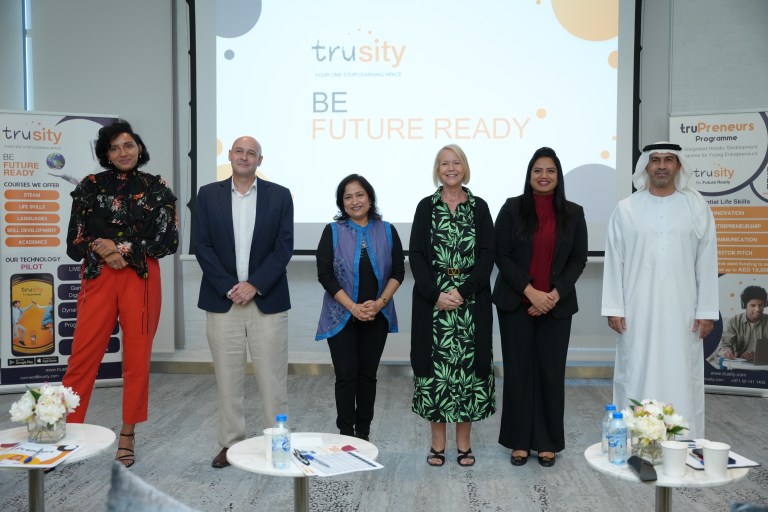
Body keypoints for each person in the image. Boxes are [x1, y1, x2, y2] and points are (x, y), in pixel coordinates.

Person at [62, 119, 179, 468]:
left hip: (141, 279)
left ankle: (127, 434)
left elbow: (167, 241)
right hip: (98, 276)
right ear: (106, 154)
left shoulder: (157, 188)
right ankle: (67, 431)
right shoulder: (90, 186)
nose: (122, 152)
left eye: (128, 145)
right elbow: (75, 241)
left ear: (139, 148)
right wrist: (105, 250)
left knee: (137, 359)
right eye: (114, 148)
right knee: (82, 357)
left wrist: (120, 249)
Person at [601, 141, 718, 439]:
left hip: (684, 311)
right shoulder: (626, 209)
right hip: (637, 311)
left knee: (683, 374)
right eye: (655, 160)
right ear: (646, 167)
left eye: (668, 160)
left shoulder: (697, 208)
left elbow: (706, 261)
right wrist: (614, 307)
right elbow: (615, 261)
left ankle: (683, 441)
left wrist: (706, 311)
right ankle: (635, 438)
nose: (662, 166)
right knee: (636, 371)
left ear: (678, 166)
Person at [193, 136, 293, 469]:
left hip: (267, 300)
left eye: (252, 153)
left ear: (260, 161)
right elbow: (202, 245)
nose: (245, 157)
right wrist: (230, 288)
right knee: (227, 379)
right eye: (239, 151)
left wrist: (254, 285)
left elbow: (284, 247)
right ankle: (231, 444)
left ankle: (275, 443)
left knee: (272, 380)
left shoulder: (280, 196)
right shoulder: (208, 195)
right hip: (223, 301)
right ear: (230, 156)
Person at [493, 147, 588, 467]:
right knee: (518, 373)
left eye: (550, 170)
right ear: (529, 175)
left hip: (556, 306)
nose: (543, 176)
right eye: (537, 170)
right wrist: (531, 292)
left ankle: (547, 443)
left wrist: (552, 296)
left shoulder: (574, 213)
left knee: (550, 373)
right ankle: (519, 442)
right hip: (516, 304)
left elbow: (578, 259)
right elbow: (501, 255)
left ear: (558, 176)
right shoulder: (512, 208)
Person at [410, 144, 496, 467]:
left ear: (464, 167)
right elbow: (416, 255)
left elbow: (487, 254)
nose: (450, 168)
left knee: (469, 374)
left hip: (470, 305)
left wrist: (463, 291)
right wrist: (435, 294)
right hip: (433, 306)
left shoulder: (479, 207)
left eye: (455, 162)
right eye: (444, 163)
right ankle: (437, 445)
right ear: (437, 170)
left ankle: (464, 444)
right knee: (436, 375)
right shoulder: (426, 207)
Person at [315, 174, 405, 441]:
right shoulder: (332, 231)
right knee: (345, 376)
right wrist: (353, 307)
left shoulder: (387, 230)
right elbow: (325, 275)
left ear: (370, 198)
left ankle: (363, 434)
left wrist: (379, 304)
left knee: (368, 376)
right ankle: (345, 434)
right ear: (342, 203)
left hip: (377, 315)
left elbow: (398, 272)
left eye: (360, 195)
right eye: (348, 197)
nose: (355, 201)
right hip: (340, 315)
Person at [711, 285, 768, 362]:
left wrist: (758, 355)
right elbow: (724, 345)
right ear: (744, 305)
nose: (757, 309)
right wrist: (726, 353)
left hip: (763, 365)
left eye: (760, 305)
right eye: (753, 305)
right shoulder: (733, 322)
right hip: (739, 364)